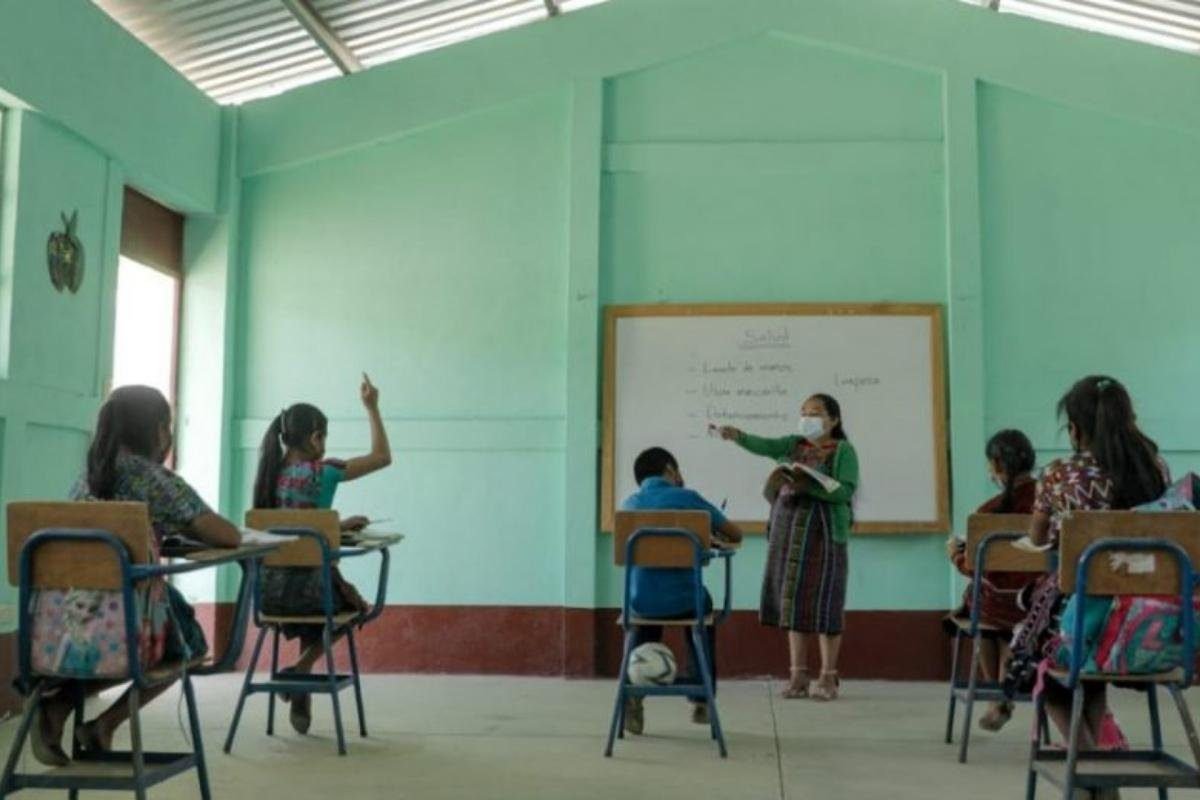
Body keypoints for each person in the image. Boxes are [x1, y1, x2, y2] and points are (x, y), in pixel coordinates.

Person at [29, 386, 242, 765]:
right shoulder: (153, 478)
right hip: (126, 623)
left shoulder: (87, 477)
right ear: (159, 429)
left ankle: (59, 706)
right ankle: (104, 723)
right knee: (190, 643)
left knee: (152, 623)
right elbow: (226, 535)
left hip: (67, 624)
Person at [1009, 376, 1166, 768]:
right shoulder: (1156, 467)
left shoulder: (1060, 472)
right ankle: (1098, 760)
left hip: (1086, 627)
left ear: (1075, 429)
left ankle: (1089, 762)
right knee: (1079, 653)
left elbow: (1037, 537)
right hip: (1150, 625)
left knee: (1030, 656)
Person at [251, 373, 392, 735]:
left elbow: (292, 524)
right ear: (315, 438)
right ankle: (301, 668)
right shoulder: (324, 473)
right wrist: (372, 407)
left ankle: (301, 690)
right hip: (314, 590)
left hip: (269, 593)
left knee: (312, 589)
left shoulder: (269, 475)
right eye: (323, 437)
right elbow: (381, 457)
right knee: (352, 608)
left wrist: (336, 526)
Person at [718, 393, 858, 701]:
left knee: (825, 604)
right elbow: (764, 445)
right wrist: (738, 436)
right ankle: (797, 676)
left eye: (816, 412)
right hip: (789, 535)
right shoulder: (793, 444)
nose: (808, 417)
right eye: (804, 411)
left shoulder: (844, 450)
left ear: (833, 420)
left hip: (824, 536)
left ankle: (828, 677)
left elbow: (846, 490)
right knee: (794, 603)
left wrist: (811, 485)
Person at [619, 447, 743, 735]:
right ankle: (701, 699)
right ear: (671, 470)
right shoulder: (688, 499)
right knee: (701, 606)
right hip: (688, 602)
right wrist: (706, 538)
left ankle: (633, 694)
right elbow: (735, 534)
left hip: (639, 601)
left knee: (644, 611)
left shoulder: (629, 505)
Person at [944, 429, 1038, 731]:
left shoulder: (989, 512)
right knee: (1009, 617)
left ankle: (996, 696)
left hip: (996, 606)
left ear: (997, 465)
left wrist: (955, 555)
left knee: (981, 603)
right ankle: (1003, 693)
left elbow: (975, 566)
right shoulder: (1048, 503)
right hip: (1037, 605)